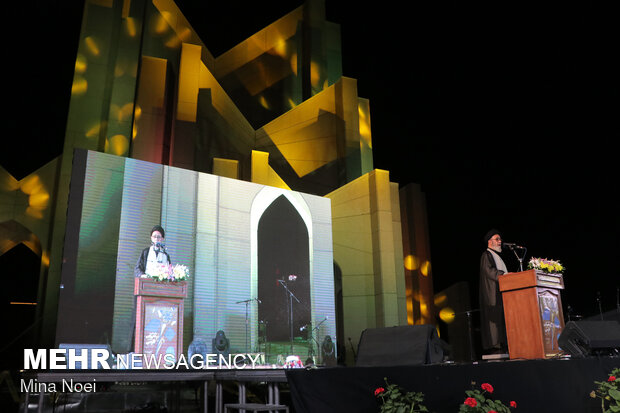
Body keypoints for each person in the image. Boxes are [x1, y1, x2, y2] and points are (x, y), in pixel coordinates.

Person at [479, 229, 508, 355]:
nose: (500, 242)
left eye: (500, 239)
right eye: (497, 239)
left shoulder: (495, 255)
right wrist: (504, 275)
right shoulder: (487, 255)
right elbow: (489, 272)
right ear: (490, 241)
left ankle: (502, 345)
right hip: (492, 296)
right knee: (494, 324)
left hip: (500, 295)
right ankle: (496, 347)